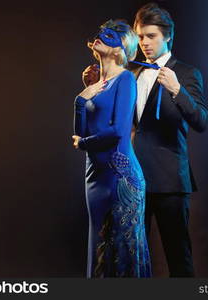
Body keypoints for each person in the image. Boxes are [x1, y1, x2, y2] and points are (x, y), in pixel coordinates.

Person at [83, 3, 208, 277]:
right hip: (129, 179)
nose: (144, 43)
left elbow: (201, 121)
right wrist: (93, 86)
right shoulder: (131, 74)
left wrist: (177, 89)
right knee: (129, 255)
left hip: (169, 182)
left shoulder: (187, 74)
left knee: (178, 255)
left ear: (168, 37)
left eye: (151, 36)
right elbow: (113, 119)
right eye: (140, 36)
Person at [72, 19, 151, 278]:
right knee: (97, 246)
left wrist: (83, 143)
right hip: (95, 176)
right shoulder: (97, 84)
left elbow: (117, 132)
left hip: (120, 179)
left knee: (121, 250)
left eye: (108, 37)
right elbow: (81, 132)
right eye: (99, 35)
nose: (99, 38)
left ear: (119, 49)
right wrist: (81, 99)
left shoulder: (125, 79)